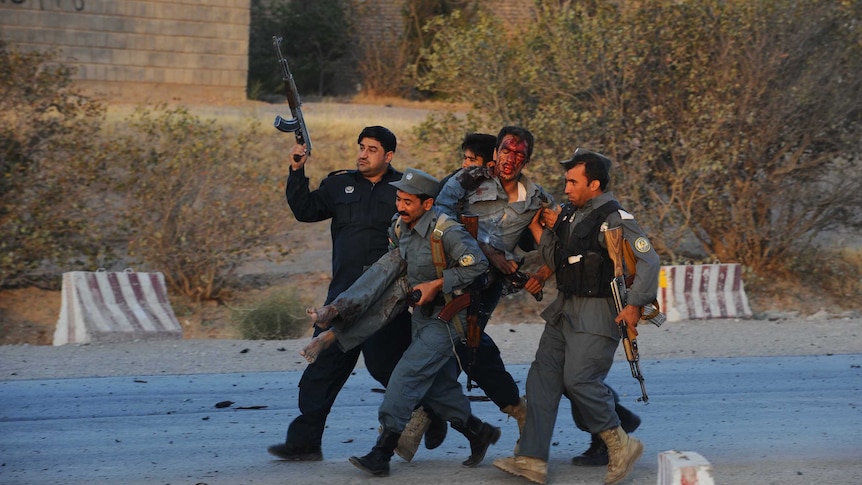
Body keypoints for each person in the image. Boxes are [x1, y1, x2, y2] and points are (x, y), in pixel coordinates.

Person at [267, 126, 436, 461]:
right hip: (342, 298)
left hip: (387, 300)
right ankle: (305, 443)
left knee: (387, 368)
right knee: (322, 368)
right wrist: (297, 170)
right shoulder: (338, 185)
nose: (362, 154)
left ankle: (435, 412)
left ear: (388, 156)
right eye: (361, 147)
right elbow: (306, 210)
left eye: (371, 149)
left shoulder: (404, 191)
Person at [493, 148, 660, 485]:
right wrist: (543, 231)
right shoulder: (570, 213)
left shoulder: (616, 218)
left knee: (580, 380)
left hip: (598, 313)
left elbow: (649, 262)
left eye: (573, 181)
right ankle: (532, 459)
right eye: (566, 181)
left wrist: (634, 306)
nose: (566, 188)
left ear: (594, 184)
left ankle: (619, 443)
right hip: (565, 309)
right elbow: (559, 256)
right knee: (542, 380)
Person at [343, 167, 500, 477]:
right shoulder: (401, 228)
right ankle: (477, 431)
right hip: (421, 318)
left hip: (447, 319)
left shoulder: (446, 231)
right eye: (399, 199)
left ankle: (382, 452)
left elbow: (478, 266)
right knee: (438, 387)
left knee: (406, 377)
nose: (400, 206)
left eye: (408, 202)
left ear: (427, 204)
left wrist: (437, 285)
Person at [434, 126, 554, 440]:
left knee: (461, 347)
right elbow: (440, 216)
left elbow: (555, 242)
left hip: (483, 289)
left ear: (526, 160)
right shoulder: (467, 180)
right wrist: (488, 251)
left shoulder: (534, 198)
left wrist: (538, 275)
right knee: (453, 348)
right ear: (496, 151)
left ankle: (411, 428)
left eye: (519, 154)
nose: (511, 159)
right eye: (506, 150)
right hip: (447, 276)